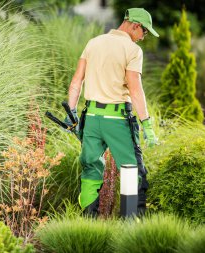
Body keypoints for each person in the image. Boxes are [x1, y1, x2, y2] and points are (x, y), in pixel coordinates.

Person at [65, 8, 159, 217]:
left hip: (91, 119)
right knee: (132, 172)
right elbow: (135, 89)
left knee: (90, 169)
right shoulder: (132, 50)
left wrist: (71, 112)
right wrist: (147, 124)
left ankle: (88, 225)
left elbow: (76, 82)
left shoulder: (93, 42)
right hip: (117, 121)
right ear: (135, 25)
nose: (143, 38)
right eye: (144, 32)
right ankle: (130, 230)